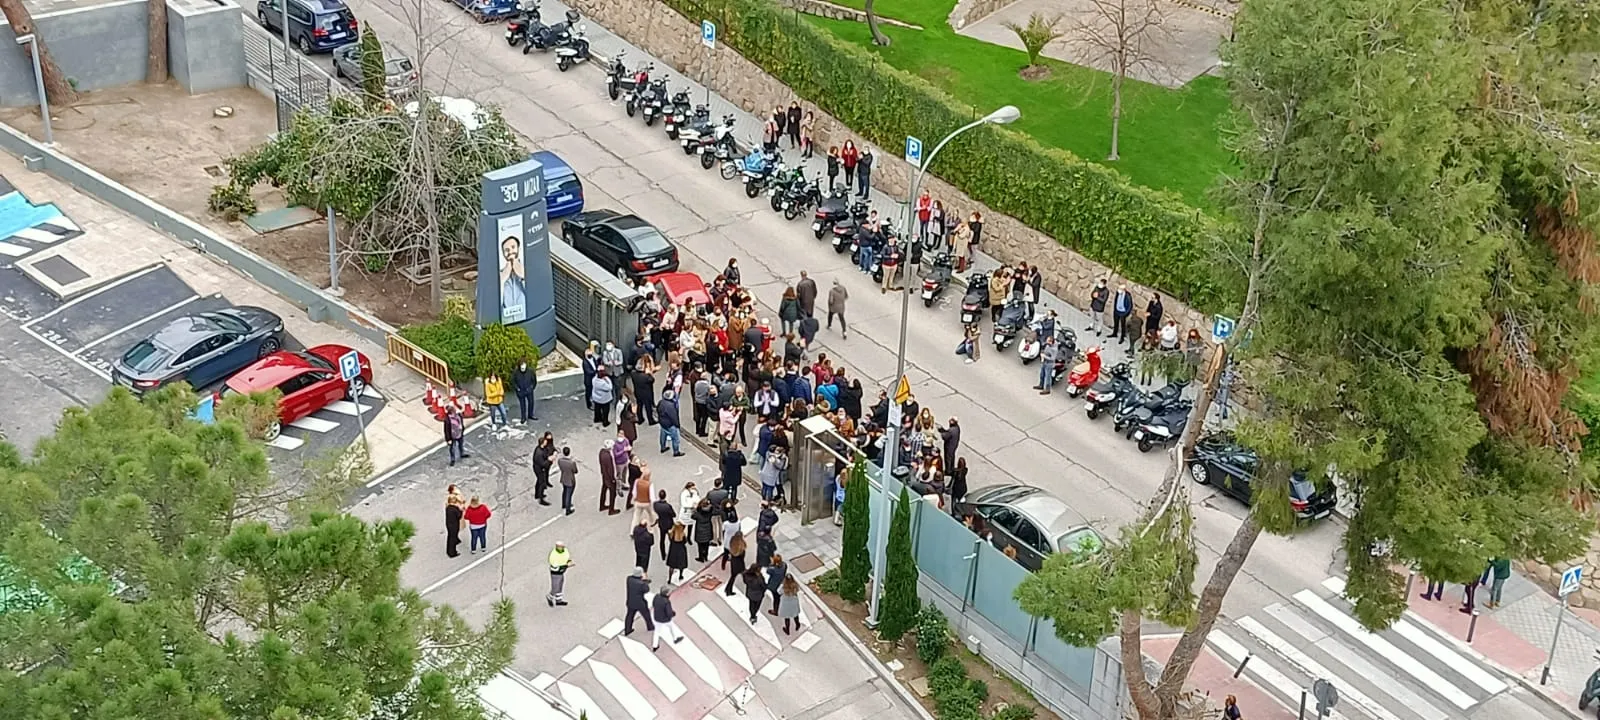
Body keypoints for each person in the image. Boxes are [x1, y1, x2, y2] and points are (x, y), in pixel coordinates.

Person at [651, 585, 684, 651]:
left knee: (657, 632)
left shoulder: (656, 596)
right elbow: (669, 613)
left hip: (657, 618)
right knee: (672, 627)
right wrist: (673, 614)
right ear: (666, 594)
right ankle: (675, 639)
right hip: (665, 619)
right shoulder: (666, 602)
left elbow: (653, 604)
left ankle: (655, 646)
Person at [624, 567, 655, 635]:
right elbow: (646, 589)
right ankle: (650, 627)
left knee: (629, 616)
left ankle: (627, 629)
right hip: (640, 603)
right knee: (646, 615)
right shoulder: (642, 584)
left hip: (630, 602)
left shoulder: (629, 579)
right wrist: (645, 581)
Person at [546, 541, 573, 607]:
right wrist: (566, 565)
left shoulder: (565, 551)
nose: (561, 547)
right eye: (559, 546)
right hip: (555, 573)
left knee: (560, 585)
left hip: (561, 572)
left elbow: (567, 558)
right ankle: (550, 597)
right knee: (555, 587)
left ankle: (558, 600)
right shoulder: (553, 554)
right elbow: (554, 565)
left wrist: (569, 561)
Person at [531, 432, 555, 506]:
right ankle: (541, 499)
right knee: (541, 482)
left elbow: (545, 454)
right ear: (542, 443)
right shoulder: (539, 453)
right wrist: (550, 460)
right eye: (545, 442)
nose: (546, 442)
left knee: (538, 481)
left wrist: (548, 457)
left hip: (539, 467)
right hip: (538, 469)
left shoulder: (540, 449)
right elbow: (543, 464)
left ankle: (537, 494)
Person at [652, 489, 677, 560]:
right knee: (671, 539)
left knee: (662, 540)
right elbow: (673, 515)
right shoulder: (668, 506)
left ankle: (663, 555)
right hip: (669, 524)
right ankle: (673, 554)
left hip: (661, 524)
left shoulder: (655, 504)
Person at [658, 389, 683, 456]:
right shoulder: (670, 406)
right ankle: (676, 452)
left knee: (663, 435)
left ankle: (662, 447)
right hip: (670, 424)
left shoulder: (661, 402)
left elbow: (658, 410)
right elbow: (674, 417)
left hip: (662, 422)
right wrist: (677, 425)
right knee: (675, 438)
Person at [598, 441, 620, 515]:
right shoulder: (608, 456)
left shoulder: (601, 452)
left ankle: (602, 505)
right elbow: (610, 468)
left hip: (604, 475)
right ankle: (611, 509)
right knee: (612, 493)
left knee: (604, 490)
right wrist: (613, 478)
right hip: (609, 477)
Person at [632, 459, 654, 528]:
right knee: (651, 513)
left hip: (638, 502)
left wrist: (635, 499)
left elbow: (634, 492)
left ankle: (633, 530)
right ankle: (653, 523)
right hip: (646, 503)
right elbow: (652, 497)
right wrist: (652, 503)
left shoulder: (637, 481)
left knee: (636, 517)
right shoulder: (649, 484)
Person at [724, 531, 748, 596]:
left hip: (733, 563)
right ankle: (749, 585)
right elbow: (742, 556)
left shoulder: (732, 542)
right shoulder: (741, 546)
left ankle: (728, 589)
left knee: (733, 577)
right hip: (740, 564)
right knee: (744, 575)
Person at [444, 486, 464, 558]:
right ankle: (452, 553)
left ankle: (451, 548)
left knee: (450, 536)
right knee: (452, 538)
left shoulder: (448, 507)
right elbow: (459, 516)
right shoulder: (455, 509)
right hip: (454, 525)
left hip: (449, 524)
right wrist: (461, 510)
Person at [557, 445, 578, 515]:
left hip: (564, 478)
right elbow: (575, 471)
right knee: (569, 495)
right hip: (570, 479)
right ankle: (568, 509)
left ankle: (564, 504)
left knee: (564, 491)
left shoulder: (560, 460)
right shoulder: (572, 463)